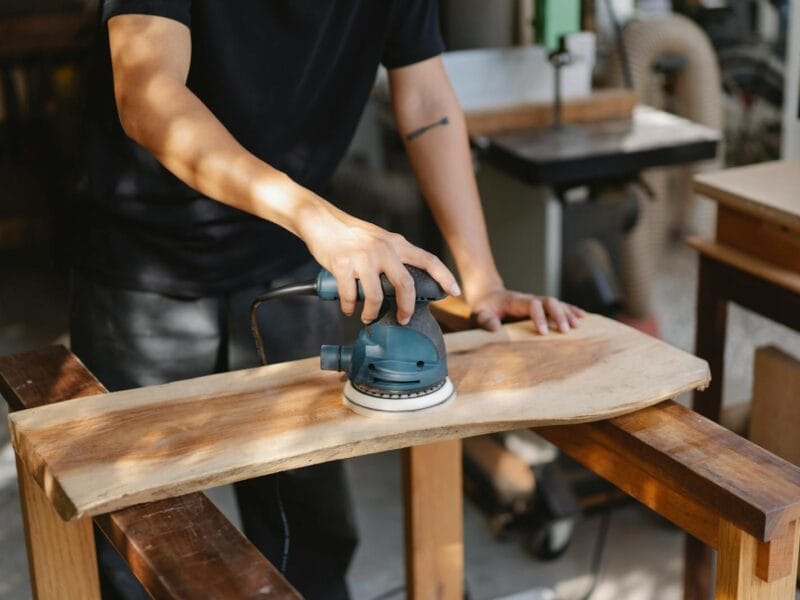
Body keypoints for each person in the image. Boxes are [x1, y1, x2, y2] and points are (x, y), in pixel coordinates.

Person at [73, 2, 584, 598]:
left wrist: (482, 280)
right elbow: (148, 94)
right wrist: (317, 219)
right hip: (143, 267)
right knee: (132, 538)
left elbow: (424, 100)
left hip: (288, 257)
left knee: (310, 533)